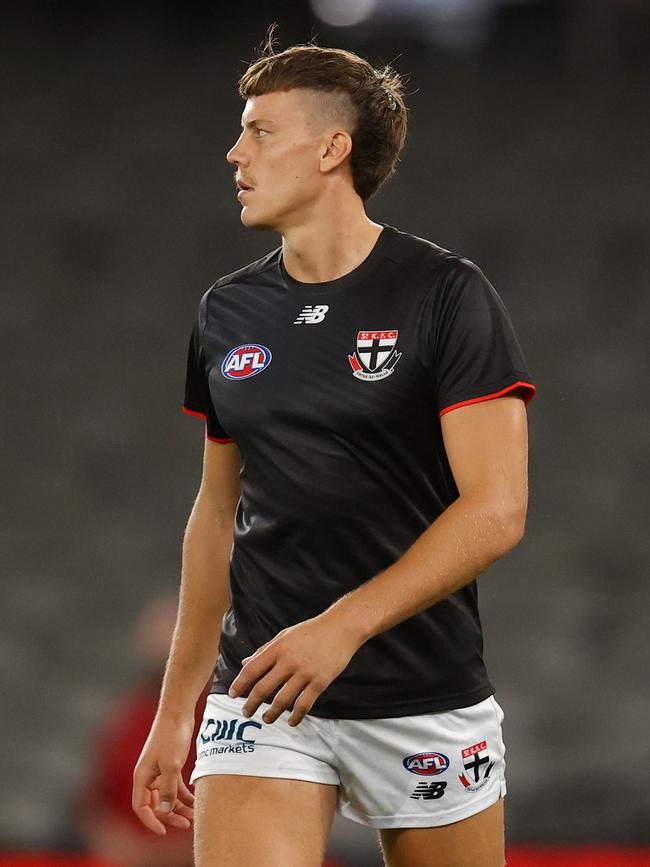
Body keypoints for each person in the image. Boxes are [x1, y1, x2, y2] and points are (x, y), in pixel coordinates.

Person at [132, 34, 537, 867]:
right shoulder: (227, 312)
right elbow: (216, 515)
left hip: (422, 694)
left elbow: (496, 510)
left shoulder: (445, 294)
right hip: (264, 691)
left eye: (259, 131)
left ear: (331, 148)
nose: (234, 152)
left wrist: (341, 628)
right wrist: (178, 709)